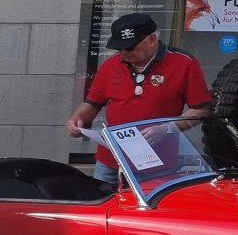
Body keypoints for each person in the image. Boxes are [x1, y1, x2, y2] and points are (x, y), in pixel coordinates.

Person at [66, 12, 212, 184]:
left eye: (129, 48)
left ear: (152, 39)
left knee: (150, 202)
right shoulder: (111, 65)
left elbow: (201, 110)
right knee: (102, 199)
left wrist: (167, 128)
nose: (123, 52)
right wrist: (78, 119)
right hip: (111, 161)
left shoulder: (184, 63)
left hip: (158, 165)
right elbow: (93, 103)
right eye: (119, 48)